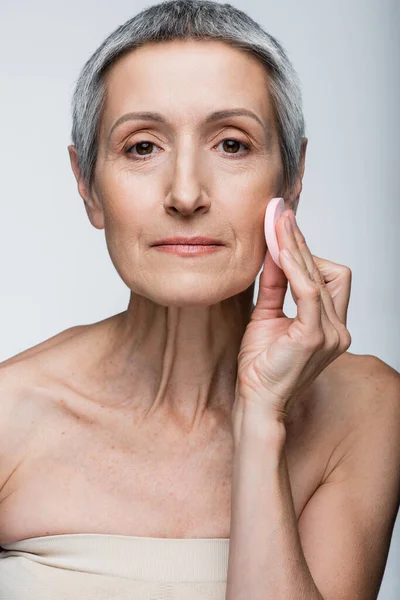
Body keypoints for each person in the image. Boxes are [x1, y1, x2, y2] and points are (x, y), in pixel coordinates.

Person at [0, 1, 399, 599]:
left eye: (232, 144)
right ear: (88, 186)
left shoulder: (366, 407)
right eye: (141, 147)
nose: (186, 193)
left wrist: (261, 418)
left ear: (291, 178)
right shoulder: (9, 412)